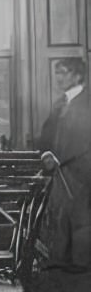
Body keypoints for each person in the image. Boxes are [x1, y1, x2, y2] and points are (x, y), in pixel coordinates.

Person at [37, 57, 91, 270]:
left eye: (64, 72)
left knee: (82, 217)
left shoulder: (88, 101)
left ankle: (81, 263)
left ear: (78, 76)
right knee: (60, 214)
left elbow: (84, 138)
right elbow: (47, 133)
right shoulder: (60, 103)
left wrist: (61, 157)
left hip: (83, 170)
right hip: (59, 170)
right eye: (57, 72)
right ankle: (60, 259)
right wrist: (47, 154)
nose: (59, 78)